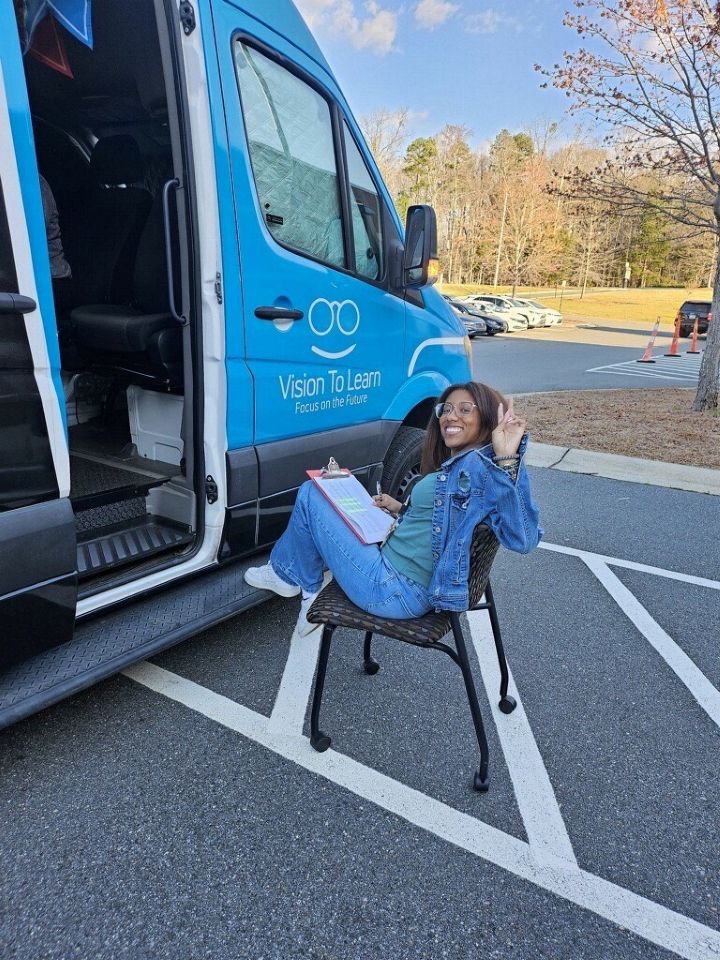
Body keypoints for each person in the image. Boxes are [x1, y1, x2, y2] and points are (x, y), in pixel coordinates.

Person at [245, 381, 542, 637]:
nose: (451, 416)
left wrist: (507, 458)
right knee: (332, 491)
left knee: (312, 492)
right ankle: (289, 573)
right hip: (397, 575)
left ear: (487, 418)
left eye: (465, 409)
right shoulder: (462, 465)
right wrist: (399, 509)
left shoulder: (479, 469)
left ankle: (298, 583)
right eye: (446, 409)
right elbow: (445, 519)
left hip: (392, 588)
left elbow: (523, 539)